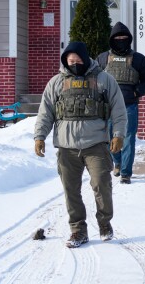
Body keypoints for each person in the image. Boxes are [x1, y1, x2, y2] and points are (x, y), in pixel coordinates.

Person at [33, 41, 127, 248]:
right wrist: (39, 136)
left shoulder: (104, 80)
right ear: (65, 61)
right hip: (66, 147)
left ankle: (104, 224)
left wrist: (118, 135)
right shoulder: (56, 83)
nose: (74, 64)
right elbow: (45, 112)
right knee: (70, 190)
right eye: (70, 61)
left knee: (101, 184)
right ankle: (77, 230)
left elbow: (119, 110)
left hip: (96, 144)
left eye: (78, 60)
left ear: (86, 59)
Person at [97, 22, 145, 184]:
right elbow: (93, 78)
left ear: (129, 39)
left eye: (124, 38)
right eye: (117, 38)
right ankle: (118, 162)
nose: (120, 40)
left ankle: (126, 173)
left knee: (128, 138)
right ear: (111, 40)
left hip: (129, 105)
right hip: (107, 106)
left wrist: (136, 92)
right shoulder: (102, 58)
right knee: (108, 138)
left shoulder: (138, 59)